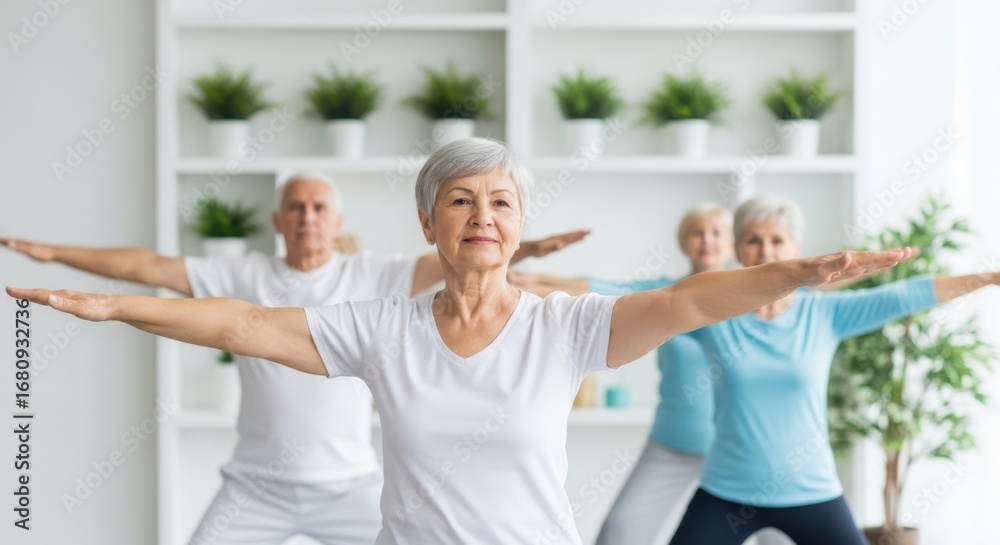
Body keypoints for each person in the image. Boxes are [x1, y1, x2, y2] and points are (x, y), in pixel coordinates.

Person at [7, 138, 914, 545]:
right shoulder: (379, 327)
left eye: (503, 200)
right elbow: (245, 322)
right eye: (462, 198)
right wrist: (116, 309)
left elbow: (684, 302)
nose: (484, 214)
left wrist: (792, 275)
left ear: (520, 227)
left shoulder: (568, 327)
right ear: (428, 223)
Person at [0, 170, 588, 545]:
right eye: (296, 208)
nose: (308, 216)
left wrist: (526, 243)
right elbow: (145, 267)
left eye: (319, 208)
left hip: (351, 488)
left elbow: (464, 252)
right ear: (280, 221)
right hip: (255, 487)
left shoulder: (374, 274)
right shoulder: (241, 273)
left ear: (335, 222)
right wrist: (54, 254)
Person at [652, 195, 998, 545]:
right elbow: (642, 299)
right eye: (753, 240)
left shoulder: (823, 314)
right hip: (727, 491)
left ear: (796, 250)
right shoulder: (717, 313)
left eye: (777, 240)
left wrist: (987, 277)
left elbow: (905, 295)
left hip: (811, 490)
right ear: (738, 250)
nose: (765, 251)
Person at [512, 202, 792, 545]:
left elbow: (813, 291)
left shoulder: (756, 299)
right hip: (674, 443)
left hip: (743, 449)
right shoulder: (665, 293)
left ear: (732, 242)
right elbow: (602, 290)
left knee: (776, 539)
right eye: (696, 232)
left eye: (716, 233)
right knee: (619, 533)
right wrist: (528, 280)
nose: (706, 241)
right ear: (683, 241)